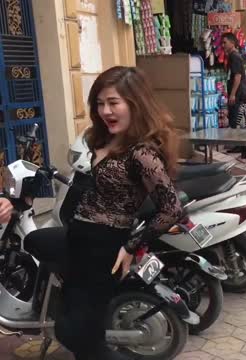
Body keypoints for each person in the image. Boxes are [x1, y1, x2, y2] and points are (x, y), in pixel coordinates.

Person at [24, 66, 183, 360]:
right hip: (79, 238)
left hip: (104, 249)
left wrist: (131, 246)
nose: (105, 111)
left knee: (79, 336)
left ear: (134, 103)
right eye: (100, 103)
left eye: (113, 103)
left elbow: (171, 209)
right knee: (33, 243)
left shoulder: (142, 153)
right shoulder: (104, 140)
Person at [222, 32, 246, 129]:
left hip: (238, 96)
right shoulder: (232, 56)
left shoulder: (235, 56)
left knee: (236, 123)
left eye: (225, 43)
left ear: (232, 43)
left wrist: (233, 94)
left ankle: (238, 144)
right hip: (236, 95)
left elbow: (238, 76)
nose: (223, 45)